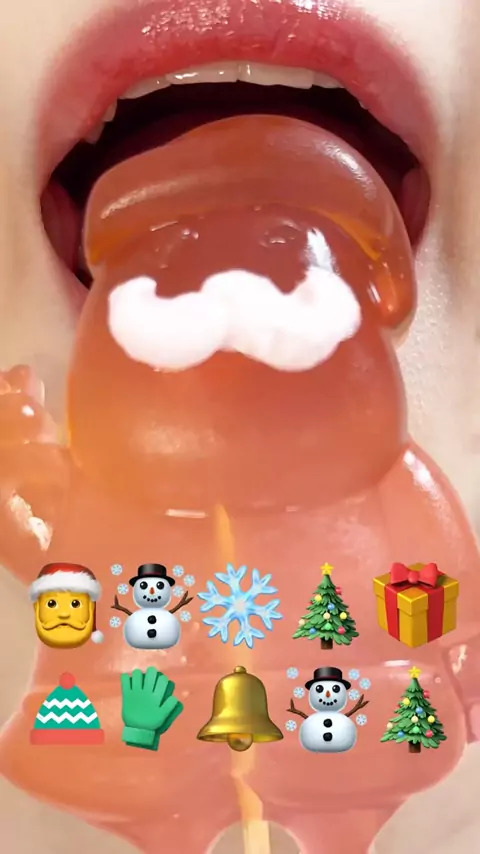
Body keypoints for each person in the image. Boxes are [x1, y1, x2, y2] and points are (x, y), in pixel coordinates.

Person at [0, 1, 480, 853]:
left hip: (358, 717)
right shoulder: (107, 501)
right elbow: (48, 541)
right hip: (128, 720)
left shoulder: (388, 483)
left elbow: (445, 594)